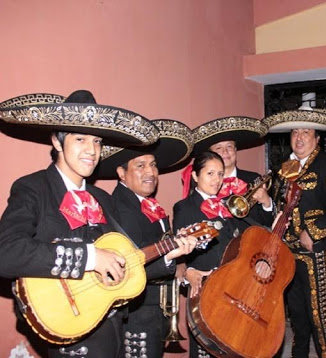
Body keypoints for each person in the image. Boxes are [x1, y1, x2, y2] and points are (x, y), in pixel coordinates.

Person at [0, 90, 158, 358]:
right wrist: (90, 257)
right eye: (81, 139)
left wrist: (168, 252)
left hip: (115, 331)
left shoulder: (103, 199)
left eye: (97, 141)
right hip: (70, 335)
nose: (92, 150)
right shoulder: (34, 188)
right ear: (57, 141)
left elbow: (122, 259)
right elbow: (6, 253)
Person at [96, 119, 198, 358]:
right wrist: (171, 260)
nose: (150, 172)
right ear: (121, 173)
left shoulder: (149, 205)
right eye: (140, 166)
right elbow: (130, 262)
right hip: (138, 312)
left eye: (152, 165)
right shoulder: (121, 207)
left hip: (155, 308)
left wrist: (180, 259)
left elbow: (161, 243)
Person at [263, 95, 326, 358]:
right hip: (287, 255)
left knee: (319, 317)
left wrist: (313, 231)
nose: (299, 137)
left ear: (317, 138)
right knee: (297, 316)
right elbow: (281, 207)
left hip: (316, 254)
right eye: (295, 132)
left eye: (306, 132)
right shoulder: (285, 169)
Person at [173, 150, 244, 358]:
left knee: (230, 345)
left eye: (221, 174)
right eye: (210, 173)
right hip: (205, 288)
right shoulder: (184, 207)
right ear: (195, 176)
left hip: (232, 286)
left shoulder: (227, 206)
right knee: (206, 348)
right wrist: (189, 270)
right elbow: (182, 253)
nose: (217, 180)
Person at [191, 116, 273, 229]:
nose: (225, 152)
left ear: (235, 150)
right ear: (211, 154)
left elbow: (267, 222)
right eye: (218, 148)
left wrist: (266, 203)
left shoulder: (253, 179)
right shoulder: (206, 184)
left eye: (229, 146)